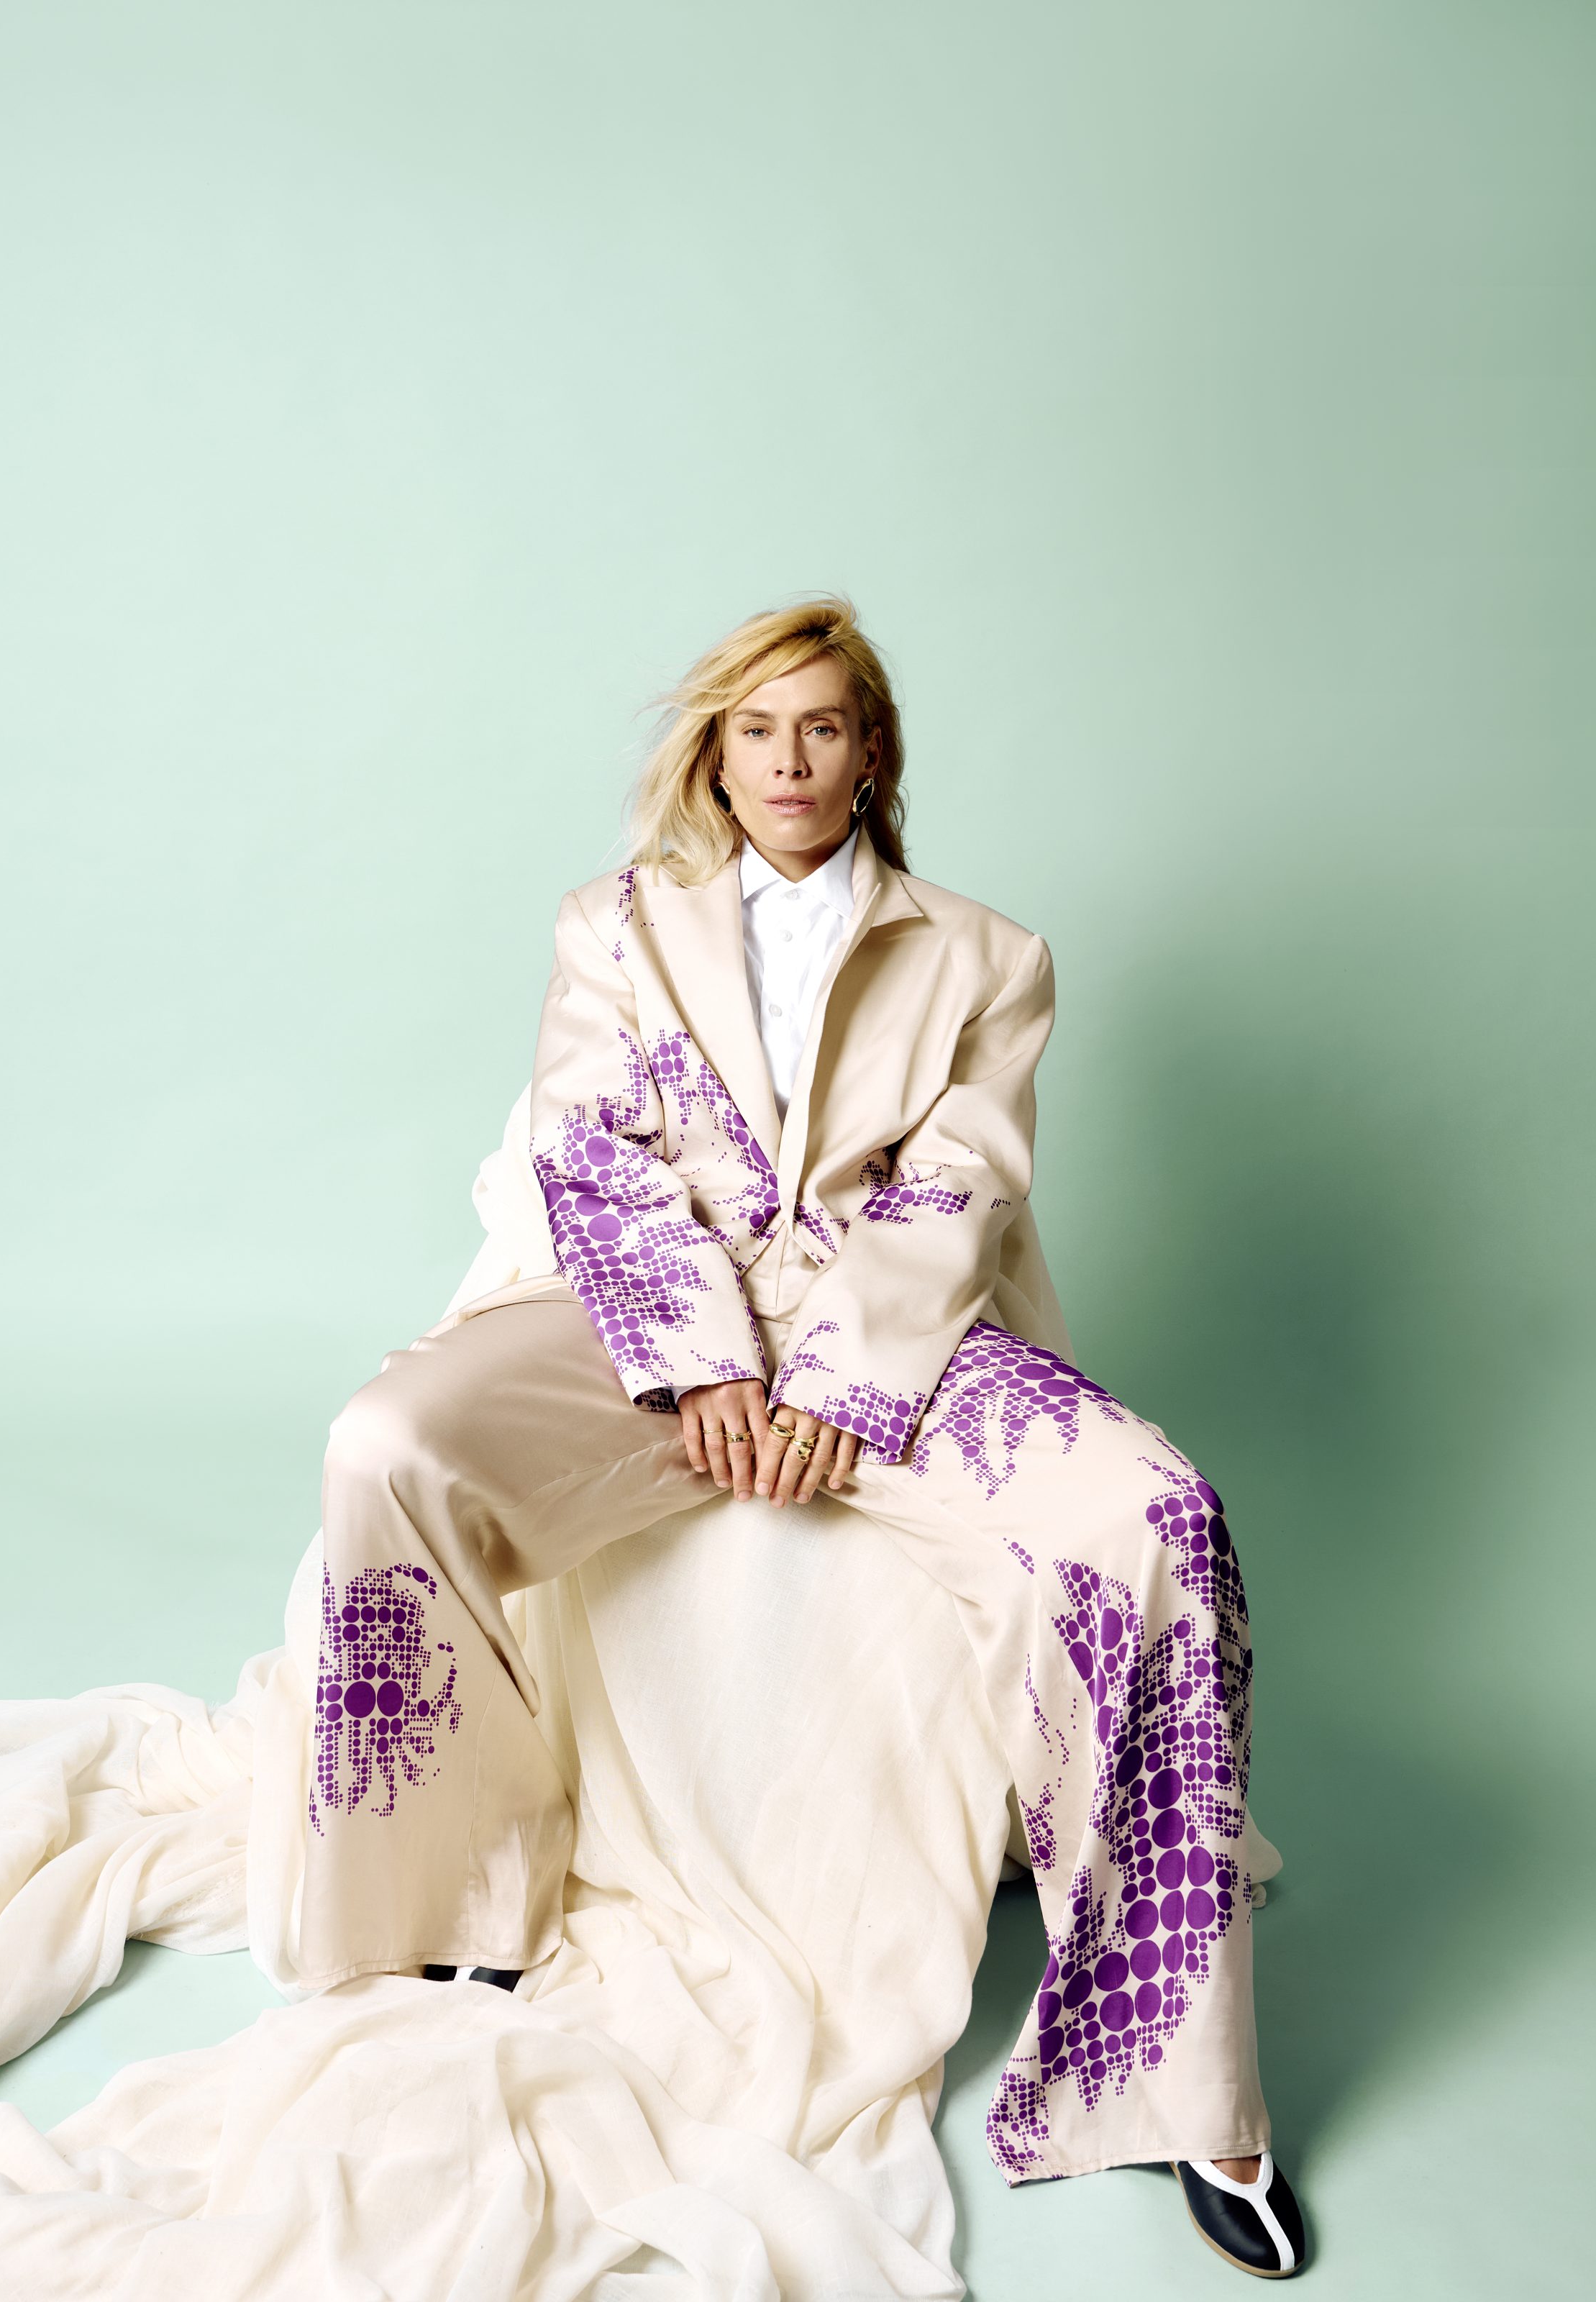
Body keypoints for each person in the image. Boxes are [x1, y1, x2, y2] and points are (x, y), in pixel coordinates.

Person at [302, 599, 1306, 2279]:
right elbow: (591, 1151)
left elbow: (960, 1183)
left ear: (869, 753)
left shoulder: (987, 958)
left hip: (898, 1340)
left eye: (821, 727)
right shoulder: (611, 927)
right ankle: (449, 1900)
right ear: (714, 757)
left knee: (1160, 1518)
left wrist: (838, 1383)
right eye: (755, 730)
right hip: (645, 1327)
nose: (787, 760)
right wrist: (699, 1365)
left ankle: (1175, 2082)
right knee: (386, 1443)